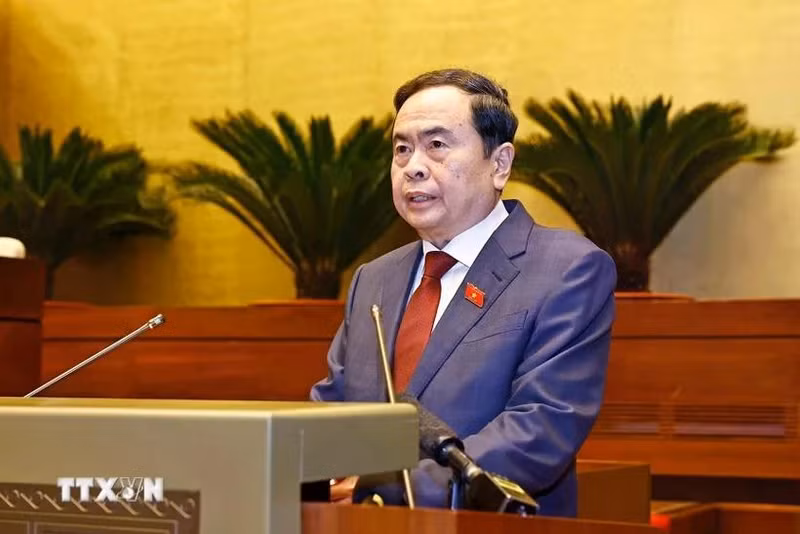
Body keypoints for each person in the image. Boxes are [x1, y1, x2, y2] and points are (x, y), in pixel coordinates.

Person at [309, 68, 617, 517]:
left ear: (500, 164)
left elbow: (539, 429)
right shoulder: (373, 279)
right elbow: (331, 409)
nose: (413, 166)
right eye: (401, 149)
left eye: (436, 145)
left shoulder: (567, 269)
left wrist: (385, 488)